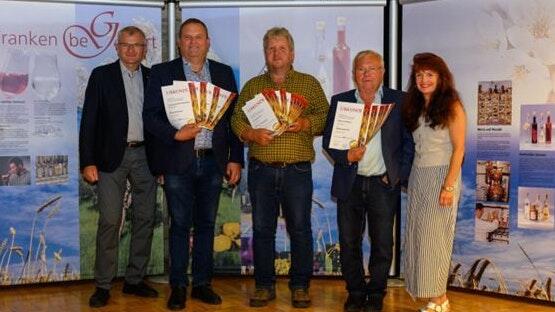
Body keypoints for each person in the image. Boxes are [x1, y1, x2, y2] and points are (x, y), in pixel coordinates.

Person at [143, 18, 243, 311]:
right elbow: (150, 117)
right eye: (187, 38)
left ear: (208, 42)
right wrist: (176, 134)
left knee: (206, 225)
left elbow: (233, 120)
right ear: (179, 42)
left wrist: (236, 158)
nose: (193, 43)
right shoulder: (163, 72)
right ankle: (177, 285)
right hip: (178, 160)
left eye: (199, 37)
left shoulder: (223, 73)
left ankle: (202, 284)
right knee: (179, 226)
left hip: (213, 161)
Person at [231, 27, 329, 308]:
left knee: (300, 229)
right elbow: (236, 120)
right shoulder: (252, 86)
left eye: (281, 48)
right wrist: (251, 135)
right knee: (262, 230)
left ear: (292, 53)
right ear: (265, 53)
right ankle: (264, 286)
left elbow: (325, 116)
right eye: (271, 49)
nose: (276, 53)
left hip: (297, 170)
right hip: (261, 169)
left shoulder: (309, 84)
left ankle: (300, 286)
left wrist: (306, 124)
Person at [322, 50, 414, 312]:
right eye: (361, 69)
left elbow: (409, 144)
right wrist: (345, 155)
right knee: (349, 241)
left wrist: (397, 176)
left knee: (383, 242)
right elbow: (329, 141)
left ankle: (376, 292)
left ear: (382, 72)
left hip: (382, 184)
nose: (366, 74)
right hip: (349, 182)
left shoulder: (399, 100)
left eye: (372, 69)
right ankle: (355, 291)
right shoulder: (340, 102)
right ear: (354, 73)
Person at [79, 26, 158, 308]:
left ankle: (135, 280)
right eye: (125, 44)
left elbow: (160, 123)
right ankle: (103, 285)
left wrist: (161, 161)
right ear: (117, 46)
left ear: (144, 48)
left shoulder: (153, 77)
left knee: (146, 218)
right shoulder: (101, 76)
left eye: (136, 45)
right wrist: (87, 161)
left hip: (146, 157)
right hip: (111, 158)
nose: (131, 50)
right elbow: (88, 121)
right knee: (110, 221)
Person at [402, 52, 466, 312]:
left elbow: (459, 149)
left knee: (436, 239)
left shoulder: (452, 105)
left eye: (429, 74)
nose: (424, 80)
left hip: (442, 176)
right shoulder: (416, 106)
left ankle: (440, 300)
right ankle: (434, 297)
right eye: (419, 75)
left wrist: (448, 186)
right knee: (420, 237)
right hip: (419, 177)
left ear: (440, 77)